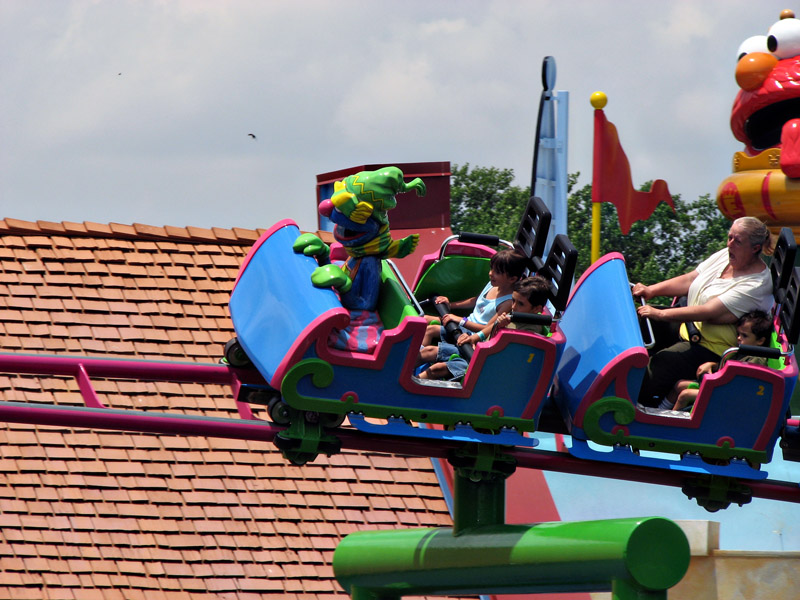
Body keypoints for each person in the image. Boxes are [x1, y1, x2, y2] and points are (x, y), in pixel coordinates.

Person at [633, 216, 775, 407]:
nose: (730, 244)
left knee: (663, 362)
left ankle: (638, 405)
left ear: (755, 248)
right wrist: (651, 290)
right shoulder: (727, 255)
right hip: (690, 328)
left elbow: (708, 312)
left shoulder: (757, 284)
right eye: (730, 237)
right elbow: (691, 279)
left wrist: (660, 314)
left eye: (737, 241)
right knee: (641, 322)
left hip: (712, 348)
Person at [417, 276, 549, 381]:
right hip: (475, 352)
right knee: (429, 351)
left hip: (485, 367)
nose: (513, 307)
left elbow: (506, 355)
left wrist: (483, 347)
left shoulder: (530, 331)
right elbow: (490, 328)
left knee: (437, 369)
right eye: (513, 300)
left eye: (520, 304)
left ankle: (409, 391)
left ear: (536, 309)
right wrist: (474, 338)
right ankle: (406, 376)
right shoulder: (515, 315)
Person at [660, 310, 773, 411]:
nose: (739, 338)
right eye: (738, 334)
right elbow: (726, 367)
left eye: (744, 336)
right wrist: (713, 365)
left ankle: (670, 423)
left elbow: (741, 385)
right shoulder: (740, 353)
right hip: (722, 388)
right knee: (680, 385)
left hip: (731, 396)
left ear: (760, 341)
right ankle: (660, 410)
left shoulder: (756, 361)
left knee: (686, 395)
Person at [421, 247, 529, 347]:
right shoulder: (492, 284)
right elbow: (475, 301)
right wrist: (450, 305)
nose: (491, 273)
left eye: (497, 272)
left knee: (430, 331)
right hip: (464, 324)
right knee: (424, 319)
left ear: (512, 279)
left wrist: (460, 320)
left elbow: (487, 329)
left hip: (471, 335)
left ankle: (417, 359)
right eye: (491, 269)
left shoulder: (508, 302)